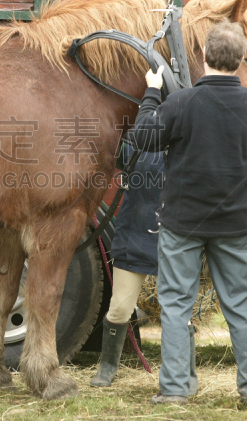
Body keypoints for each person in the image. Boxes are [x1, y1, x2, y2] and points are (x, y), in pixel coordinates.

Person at [129, 19, 247, 410]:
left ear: (203, 56)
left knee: (176, 304)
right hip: (233, 224)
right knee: (241, 305)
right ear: (241, 59)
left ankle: (176, 389)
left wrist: (152, 94)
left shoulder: (180, 102)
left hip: (182, 223)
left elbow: (144, 139)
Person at [89, 146, 198, 391]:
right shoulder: (136, 144)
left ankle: (185, 372)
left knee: (179, 313)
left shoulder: (191, 141)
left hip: (174, 239)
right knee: (119, 309)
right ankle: (108, 366)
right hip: (133, 236)